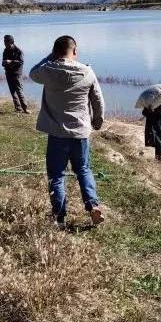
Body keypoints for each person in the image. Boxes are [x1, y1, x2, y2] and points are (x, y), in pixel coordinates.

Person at [30, 35, 105, 228]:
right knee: (83, 170)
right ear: (75, 51)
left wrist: (50, 56)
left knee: (56, 175)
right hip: (80, 133)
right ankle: (93, 205)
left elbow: (32, 73)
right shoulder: (87, 72)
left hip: (57, 134)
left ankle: (60, 217)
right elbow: (98, 99)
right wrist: (97, 121)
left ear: (55, 52)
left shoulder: (48, 70)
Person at [2, 34, 29, 113]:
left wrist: (10, 61)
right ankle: (18, 108)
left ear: (12, 42)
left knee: (19, 91)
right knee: (12, 92)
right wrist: (4, 63)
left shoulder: (18, 51)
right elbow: (3, 62)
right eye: (4, 42)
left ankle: (25, 108)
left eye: (6, 42)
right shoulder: (5, 50)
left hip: (16, 74)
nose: (5, 43)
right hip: (8, 73)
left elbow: (21, 62)